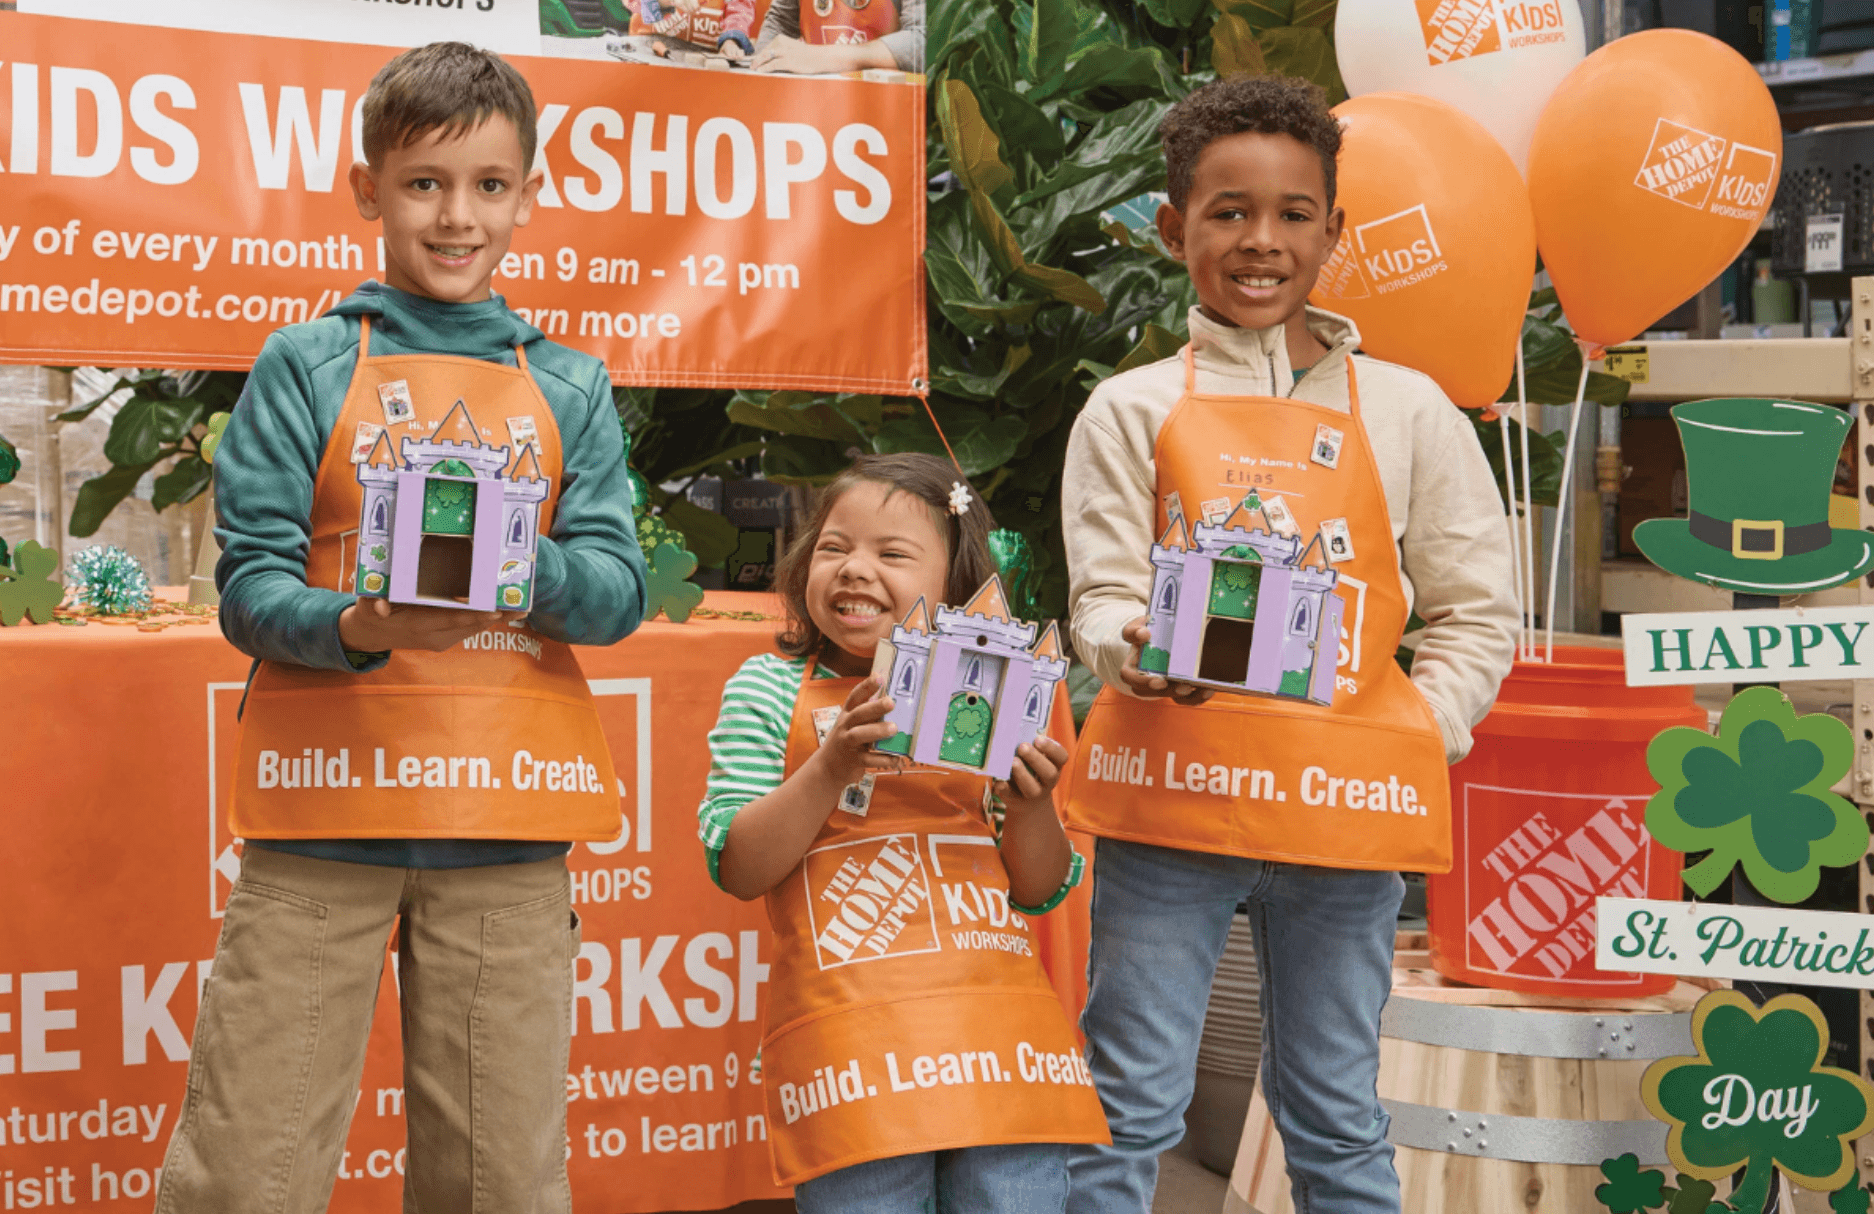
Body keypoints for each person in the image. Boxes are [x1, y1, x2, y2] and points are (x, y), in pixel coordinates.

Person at [154, 42, 647, 1214]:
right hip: (323, 818)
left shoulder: (569, 383)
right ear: (367, 190)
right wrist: (363, 622)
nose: (457, 214)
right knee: (243, 1177)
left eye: (487, 184)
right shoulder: (306, 363)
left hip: (507, 824)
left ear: (527, 195)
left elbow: (620, 590)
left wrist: (510, 564)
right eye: (424, 182)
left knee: (503, 1183)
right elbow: (250, 589)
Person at [1060, 76, 1517, 1213]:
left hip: (1344, 815)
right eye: (1226, 212)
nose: (1260, 241)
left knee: (1334, 1112)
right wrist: (1130, 645)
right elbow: (1101, 593)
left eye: (1292, 213)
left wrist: (1427, 719)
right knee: (1127, 1103)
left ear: (1331, 229)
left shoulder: (1410, 410)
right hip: (1169, 800)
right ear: (1173, 230)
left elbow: (1474, 608)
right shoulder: (1126, 408)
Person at [699, 453, 1109, 1212]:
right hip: (850, 1057)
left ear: (958, 586)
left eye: (891, 554)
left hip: (1000, 1046)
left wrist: (1030, 805)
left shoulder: (997, 690)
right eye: (833, 548)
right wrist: (830, 764)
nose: (855, 570)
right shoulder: (765, 687)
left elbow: (1042, 888)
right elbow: (740, 866)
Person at [750, 0, 922, 75]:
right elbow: (780, 22)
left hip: (887, 107)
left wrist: (819, 57)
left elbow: (922, 42)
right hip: (815, 106)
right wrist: (762, 69)